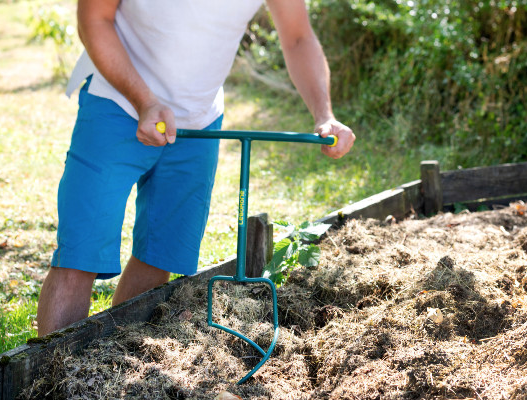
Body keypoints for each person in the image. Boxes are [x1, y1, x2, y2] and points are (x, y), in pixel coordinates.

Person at [35, 0, 356, 336]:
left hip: (199, 120)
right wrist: (144, 100)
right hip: (114, 102)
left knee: (160, 253)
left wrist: (324, 114)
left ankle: (109, 366)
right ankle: (49, 378)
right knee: (79, 254)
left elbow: (298, 38)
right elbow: (94, 19)